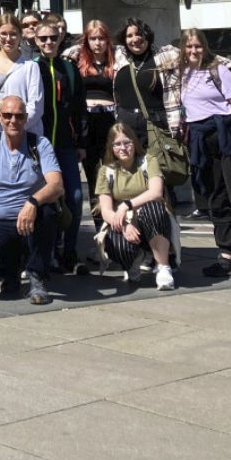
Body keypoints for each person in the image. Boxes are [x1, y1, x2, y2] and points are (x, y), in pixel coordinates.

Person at [179, 28, 231, 283]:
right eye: (189, 46)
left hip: (229, 136)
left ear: (205, 48)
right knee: (216, 198)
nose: (194, 51)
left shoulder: (219, 70)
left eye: (198, 46)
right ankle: (226, 255)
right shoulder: (180, 73)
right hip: (202, 139)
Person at [0, 94, 63, 303]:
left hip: (32, 220)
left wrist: (33, 202)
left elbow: (56, 185)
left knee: (47, 214)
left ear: (26, 118)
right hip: (1, 220)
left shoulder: (39, 144)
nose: (13, 121)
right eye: (8, 115)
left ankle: (37, 278)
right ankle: (10, 273)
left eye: (19, 116)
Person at [35, 16, 88, 274]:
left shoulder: (69, 68)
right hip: (41, 144)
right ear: (35, 41)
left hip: (66, 143)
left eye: (52, 38)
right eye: (43, 38)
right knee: (47, 199)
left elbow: (79, 108)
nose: (48, 42)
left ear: (60, 39)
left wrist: (81, 141)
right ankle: (50, 249)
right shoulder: (33, 67)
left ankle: (70, 249)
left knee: (75, 197)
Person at [95, 123, 176, 289]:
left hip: (151, 218)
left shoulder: (148, 161)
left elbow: (156, 192)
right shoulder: (105, 171)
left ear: (134, 143)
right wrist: (123, 225)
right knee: (116, 239)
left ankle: (163, 267)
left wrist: (126, 205)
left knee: (153, 207)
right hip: (124, 220)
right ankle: (132, 263)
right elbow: (106, 210)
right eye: (117, 144)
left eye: (127, 142)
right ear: (111, 147)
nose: (123, 148)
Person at [69, 20, 116, 223]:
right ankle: (101, 232)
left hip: (110, 122)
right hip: (88, 123)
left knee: (113, 177)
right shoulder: (77, 60)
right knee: (94, 180)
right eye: (93, 39)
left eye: (101, 38)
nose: (98, 43)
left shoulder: (117, 61)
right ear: (86, 41)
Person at [0, 15, 43, 136]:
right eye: (3, 34)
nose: (8, 38)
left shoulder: (31, 67)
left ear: (20, 35)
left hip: (24, 136)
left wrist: (13, 128)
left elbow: (36, 106)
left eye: (13, 34)